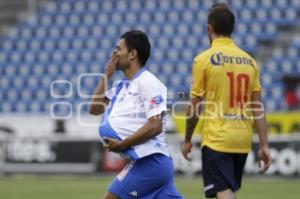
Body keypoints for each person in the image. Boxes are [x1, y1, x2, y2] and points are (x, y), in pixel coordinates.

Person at [181, 3, 272, 199]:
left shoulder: (203, 60)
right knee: (224, 191)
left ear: (209, 28)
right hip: (242, 141)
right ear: (232, 29)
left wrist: (188, 139)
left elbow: (194, 108)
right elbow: (258, 109)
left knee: (223, 193)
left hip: (218, 140)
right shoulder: (250, 62)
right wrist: (264, 145)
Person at [89, 30, 183, 199]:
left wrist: (123, 144)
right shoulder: (120, 86)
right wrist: (107, 74)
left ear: (132, 54)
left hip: (151, 161)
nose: (114, 53)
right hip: (147, 162)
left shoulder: (148, 82)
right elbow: (94, 108)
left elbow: (155, 125)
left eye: (118, 49)